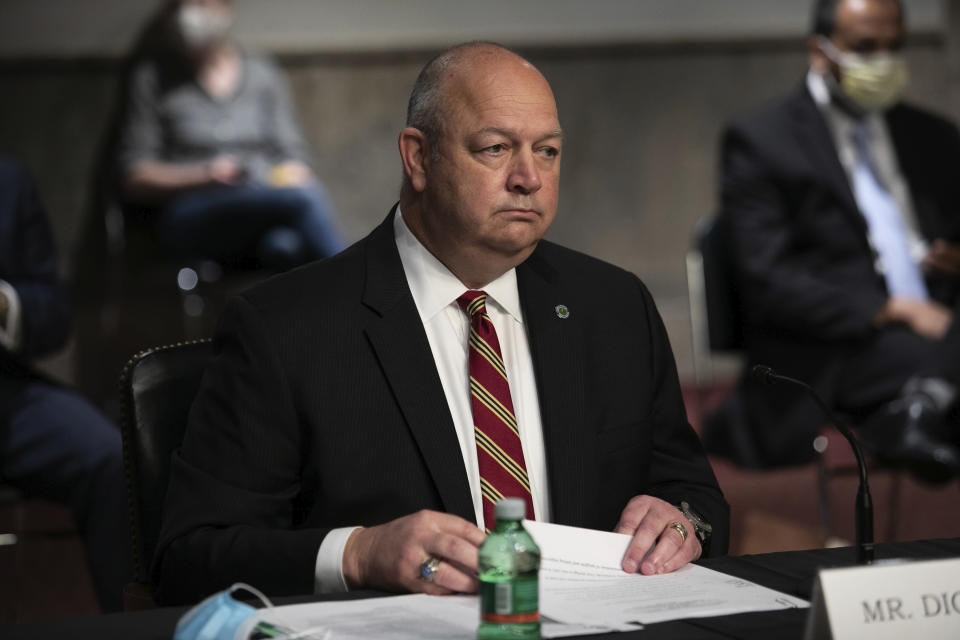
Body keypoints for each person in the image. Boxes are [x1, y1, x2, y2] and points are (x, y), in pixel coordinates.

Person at [154, 42, 729, 605]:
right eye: (496, 149)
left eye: (548, 151)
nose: (528, 177)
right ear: (417, 157)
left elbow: (693, 492)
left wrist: (681, 524)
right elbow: (192, 558)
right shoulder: (284, 327)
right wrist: (357, 555)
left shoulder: (615, 306)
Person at [711, 0, 960, 478]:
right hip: (835, 346)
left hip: (941, 324)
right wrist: (892, 309)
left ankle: (923, 404)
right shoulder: (762, 140)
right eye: (866, 48)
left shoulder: (933, 136)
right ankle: (922, 406)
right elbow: (767, 279)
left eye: (894, 47)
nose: (882, 62)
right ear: (820, 52)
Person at [117, 0, 344, 270]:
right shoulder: (153, 78)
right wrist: (205, 175)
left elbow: (292, 154)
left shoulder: (262, 73)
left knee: (283, 245)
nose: (190, 14)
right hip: (191, 212)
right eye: (182, 5)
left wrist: (289, 172)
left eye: (201, 3)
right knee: (304, 198)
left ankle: (300, 308)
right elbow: (135, 176)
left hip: (262, 198)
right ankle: (364, 296)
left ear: (226, 7)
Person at [0, 155, 131, 612]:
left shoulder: (9, 179)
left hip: (5, 392)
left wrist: (5, 304)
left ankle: (122, 625)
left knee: (111, 459)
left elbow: (54, 314)